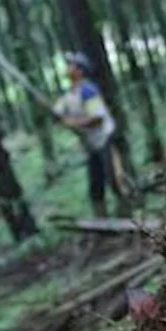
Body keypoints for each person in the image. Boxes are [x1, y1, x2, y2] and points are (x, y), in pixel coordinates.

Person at [53, 52, 127, 219]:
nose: (67, 67)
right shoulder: (69, 94)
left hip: (104, 140)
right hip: (91, 145)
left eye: (71, 65)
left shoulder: (88, 90)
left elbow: (97, 119)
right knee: (96, 185)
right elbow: (57, 114)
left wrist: (71, 122)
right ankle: (102, 220)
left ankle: (127, 215)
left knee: (115, 181)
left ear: (79, 71)